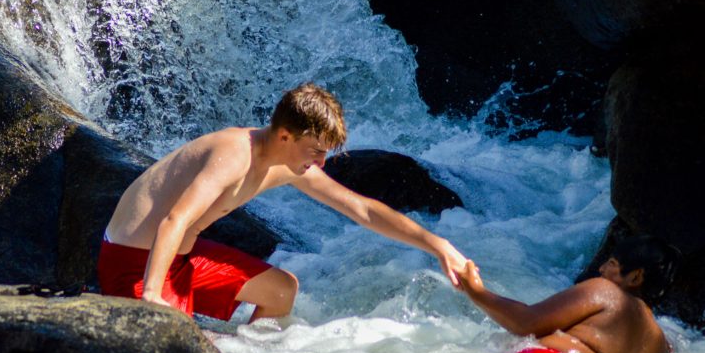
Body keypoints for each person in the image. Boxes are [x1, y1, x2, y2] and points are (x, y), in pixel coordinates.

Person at [98, 82, 468, 323]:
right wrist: (151, 295)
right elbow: (174, 220)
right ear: (286, 136)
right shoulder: (233, 154)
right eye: (316, 152)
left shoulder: (286, 164)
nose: (321, 163)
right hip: (137, 262)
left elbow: (362, 209)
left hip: (181, 258)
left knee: (281, 289)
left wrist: (436, 244)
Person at [454, 235, 679, 353]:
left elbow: (526, 322)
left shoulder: (607, 292)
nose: (601, 270)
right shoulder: (661, 344)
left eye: (611, 263)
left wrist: (476, 291)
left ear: (635, 277)